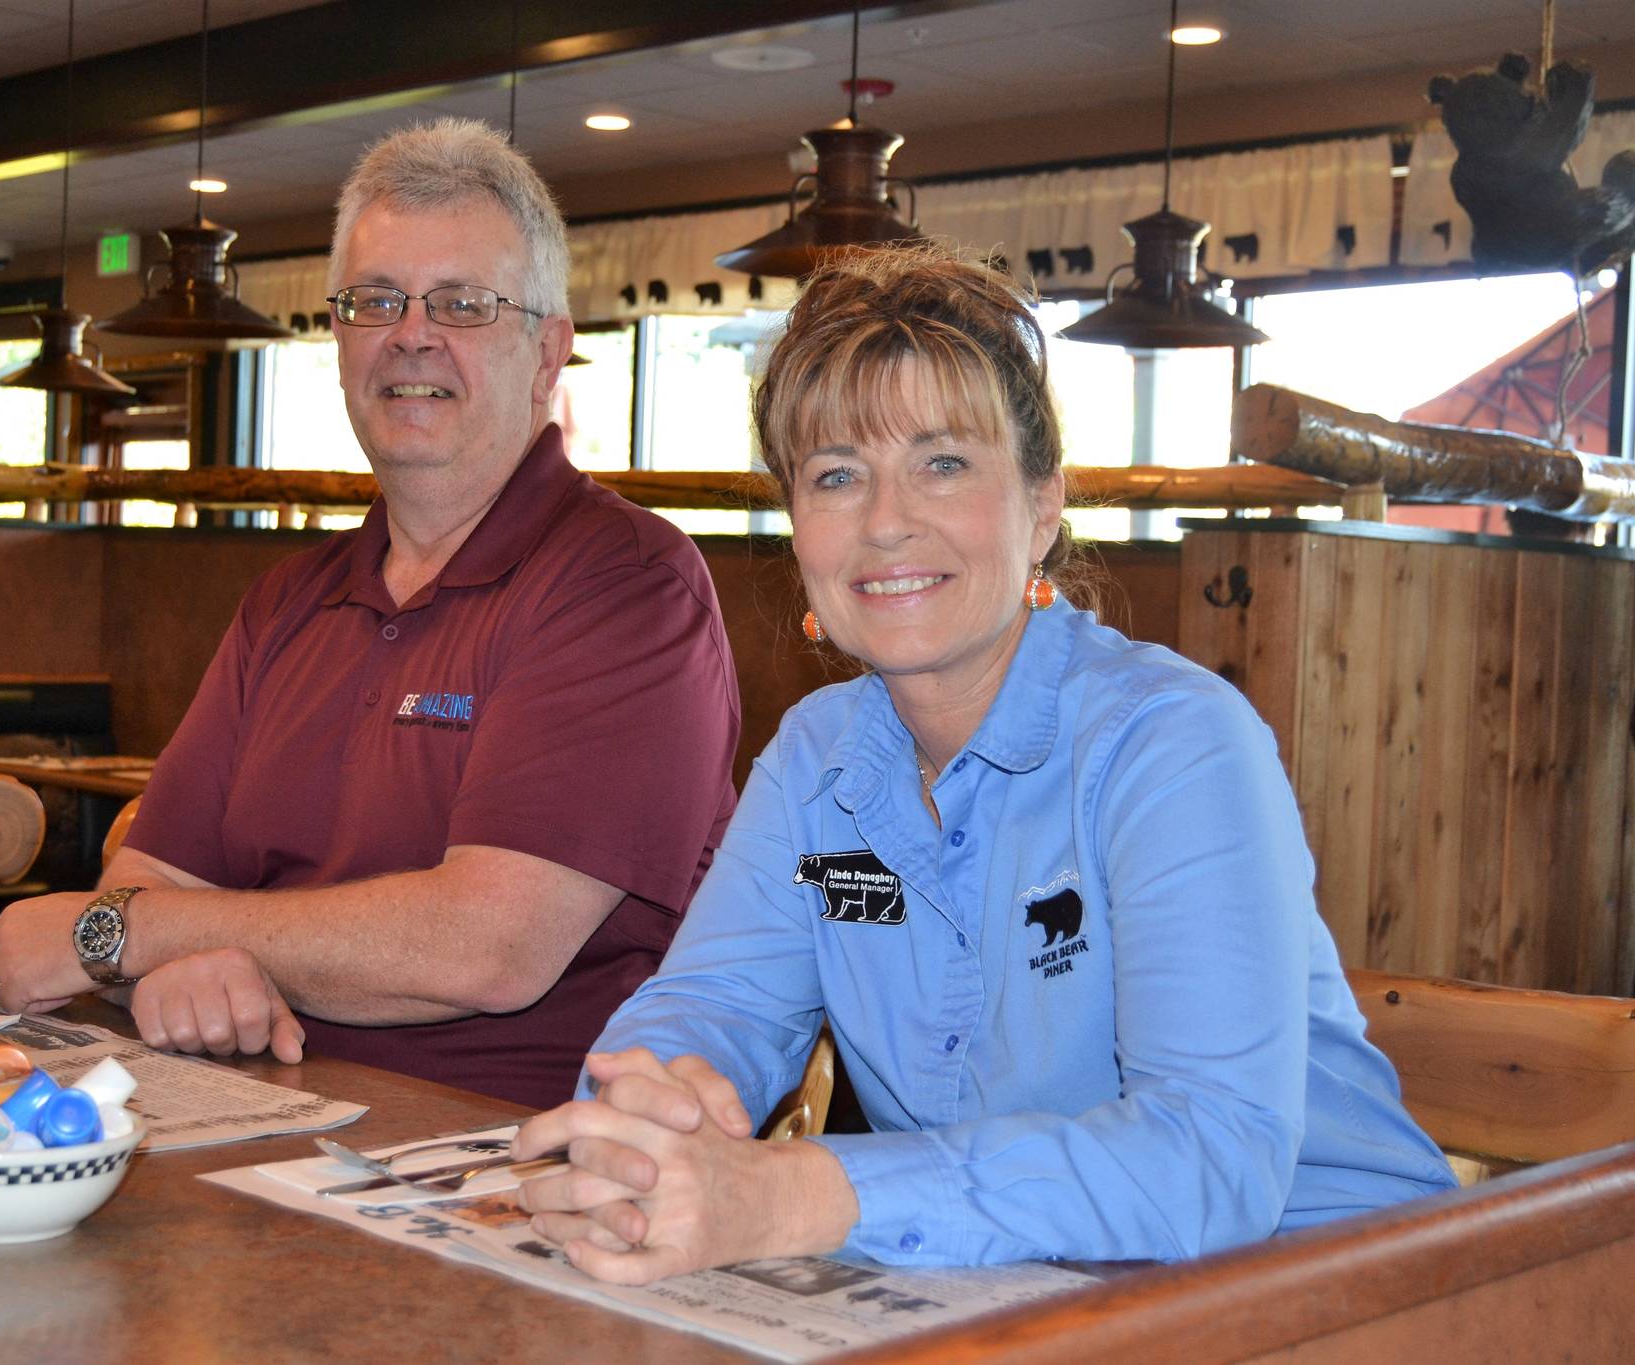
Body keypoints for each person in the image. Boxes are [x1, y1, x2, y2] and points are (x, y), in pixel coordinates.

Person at [511, 245, 1455, 1280]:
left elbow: (1207, 1160)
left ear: (1042, 506)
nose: (885, 522)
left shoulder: (1175, 744)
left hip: (1335, 1292)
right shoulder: (814, 763)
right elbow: (718, 1003)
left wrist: (804, 1194)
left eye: (944, 463)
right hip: (1020, 1296)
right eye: (836, 475)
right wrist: (651, 1105)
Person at [0, 119, 741, 1110]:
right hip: (250, 1119)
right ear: (338, 339)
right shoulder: (285, 600)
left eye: (462, 303)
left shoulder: (628, 583)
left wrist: (129, 937)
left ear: (547, 352)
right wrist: (180, 964)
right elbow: (150, 873)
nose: (411, 334)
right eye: (375, 300)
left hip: (508, 1156)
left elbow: (484, 948)